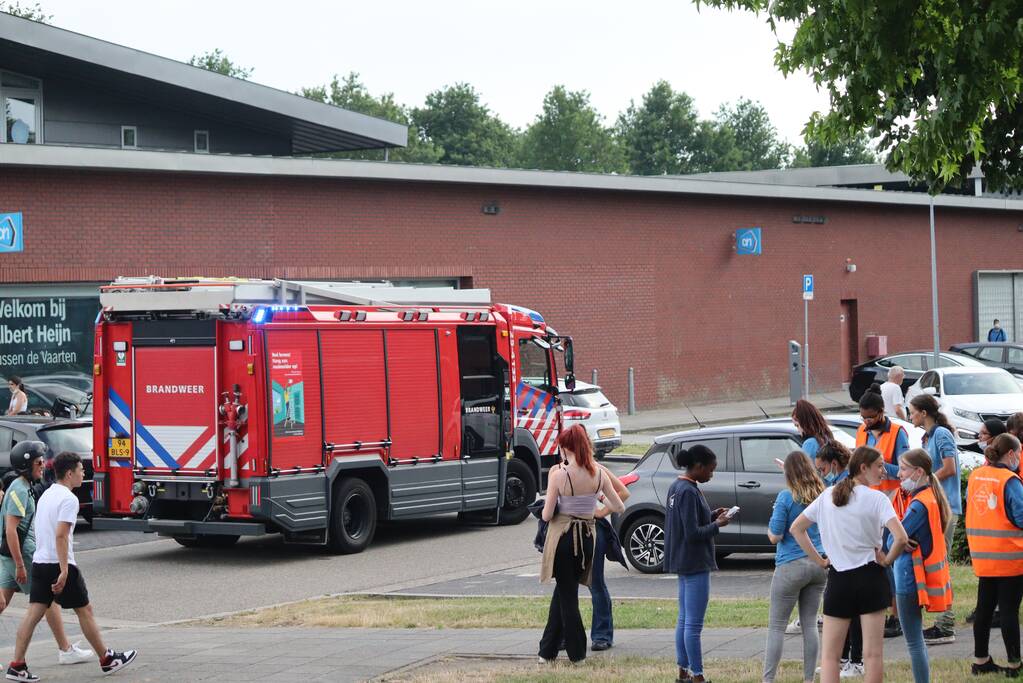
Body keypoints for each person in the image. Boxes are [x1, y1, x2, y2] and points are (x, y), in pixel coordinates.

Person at [7, 452, 137, 681]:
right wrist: (65, 570)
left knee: (33, 614)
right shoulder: (69, 499)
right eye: (81, 469)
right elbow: (61, 535)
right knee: (84, 610)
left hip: (40, 562)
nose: (83, 473)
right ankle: (107, 659)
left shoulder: (47, 495)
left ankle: (17, 665)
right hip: (59, 563)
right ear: (69, 473)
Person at [790, 446, 909, 683]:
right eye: (880, 466)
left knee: (830, 657)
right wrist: (887, 560)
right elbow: (901, 538)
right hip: (871, 577)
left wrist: (820, 560)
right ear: (863, 468)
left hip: (839, 579)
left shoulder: (827, 496)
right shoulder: (877, 499)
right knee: (873, 654)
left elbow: (796, 528)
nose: (884, 471)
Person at [0, 443, 92, 671]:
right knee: (45, 602)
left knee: (3, 602)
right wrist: (20, 565)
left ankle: (62, 650)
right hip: (22, 554)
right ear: (26, 465)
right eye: (38, 462)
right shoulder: (21, 490)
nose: (43, 466)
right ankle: (64, 650)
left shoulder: (22, 486)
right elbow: (11, 530)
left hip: (13, 555)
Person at [537, 425, 623, 664]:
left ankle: (577, 654)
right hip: (587, 539)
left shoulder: (559, 474)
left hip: (564, 538)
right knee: (563, 591)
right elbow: (619, 506)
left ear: (566, 448)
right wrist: (595, 509)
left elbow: (546, 515)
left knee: (567, 597)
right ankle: (546, 651)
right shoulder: (598, 473)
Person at [665, 444, 731, 683]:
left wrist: (711, 515)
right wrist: (717, 525)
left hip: (683, 560)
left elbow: (687, 522)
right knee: (693, 624)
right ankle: (698, 676)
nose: (712, 474)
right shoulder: (689, 491)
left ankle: (684, 671)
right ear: (699, 466)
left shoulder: (677, 486)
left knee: (684, 620)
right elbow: (692, 533)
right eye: (710, 470)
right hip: (695, 562)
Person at [762, 451, 828, 683]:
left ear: (788, 474)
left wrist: (769, 527)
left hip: (790, 565)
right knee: (810, 624)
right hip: (818, 563)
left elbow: (775, 536)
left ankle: (768, 679)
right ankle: (809, 678)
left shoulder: (786, 497)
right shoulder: (821, 494)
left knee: (777, 626)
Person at [893, 448, 953, 683]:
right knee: (916, 641)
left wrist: (895, 538)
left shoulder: (918, 504)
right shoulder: (929, 496)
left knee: (914, 642)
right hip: (914, 577)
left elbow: (892, 541)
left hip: (908, 578)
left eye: (903, 469)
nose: (899, 474)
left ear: (918, 472)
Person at [966, 433, 1023, 677]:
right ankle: (1014, 664)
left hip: (983, 555)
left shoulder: (976, 476)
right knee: (1009, 611)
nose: (1019, 458)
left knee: (984, 609)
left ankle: (981, 661)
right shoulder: (1009, 480)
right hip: (1009, 556)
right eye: (1019, 453)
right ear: (1010, 453)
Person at [856, 383, 910, 638]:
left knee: (889, 560)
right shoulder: (861, 432)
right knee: (873, 561)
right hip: (865, 504)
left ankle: (897, 616)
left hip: (891, 504)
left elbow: (904, 470)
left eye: (870, 417)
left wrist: (878, 466)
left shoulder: (898, 433)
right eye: (862, 418)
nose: (866, 422)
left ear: (881, 412)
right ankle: (879, 610)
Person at [909, 393, 962, 644]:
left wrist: (925, 481)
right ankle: (943, 621)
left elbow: (950, 468)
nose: (910, 416)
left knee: (940, 563)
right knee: (937, 562)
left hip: (946, 506)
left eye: (912, 412)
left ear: (924, 413)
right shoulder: (929, 436)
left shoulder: (941, 434)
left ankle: (946, 625)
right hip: (936, 505)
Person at [589, 463, 630, 652]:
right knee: (568, 587)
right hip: (574, 529)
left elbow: (623, 493)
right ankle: (567, 634)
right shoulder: (562, 468)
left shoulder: (595, 468)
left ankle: (601, 635)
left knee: (595, 583)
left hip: (588, 529)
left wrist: (601, 512)